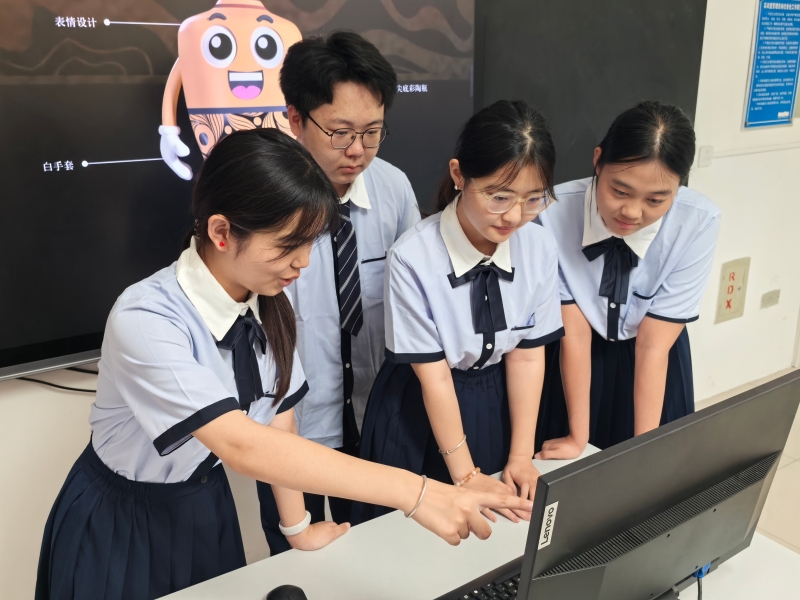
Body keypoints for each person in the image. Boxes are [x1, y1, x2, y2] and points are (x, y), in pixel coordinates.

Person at [35, 129, 532, 600]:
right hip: (123, 518)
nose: (304, 262)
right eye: (288, 245)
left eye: (310, 243)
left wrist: (298, 527)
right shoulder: (145, 318)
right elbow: (241, 443)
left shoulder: (267, 300)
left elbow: (279, 420)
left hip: (206, 505)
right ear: (222, 231)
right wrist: (416, 492)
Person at [353, 100, 565, 524]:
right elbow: (434, 378)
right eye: (499, 197)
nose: (514, 216)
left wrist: (520, 455)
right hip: (418, 404)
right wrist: (466, 475)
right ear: (458, 175)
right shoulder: (412, 257)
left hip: (499, 397)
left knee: (496, 526)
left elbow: (526, 357)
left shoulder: (540, 245)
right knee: (414, 533)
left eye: (533, 199)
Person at [253, 30, 421, 555]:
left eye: (372, 132)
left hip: (377, 416)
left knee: (377, 554)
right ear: (295, 118)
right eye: (341, 132)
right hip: (292, 426)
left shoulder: (394, 190)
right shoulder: (262, 203)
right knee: (296, 558)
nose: (357, 151)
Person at [535, 101, 721, 458]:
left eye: (656, 200)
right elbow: (575, 334)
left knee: (656, 472)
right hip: (573, 358)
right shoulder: (551, 213)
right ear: (598, 161)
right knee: (571, 474)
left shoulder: (698, 223)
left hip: (656, 356)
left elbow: (653, 347)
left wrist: (642, 453)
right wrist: (577, 436)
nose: (632, 212)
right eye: (619, 191)